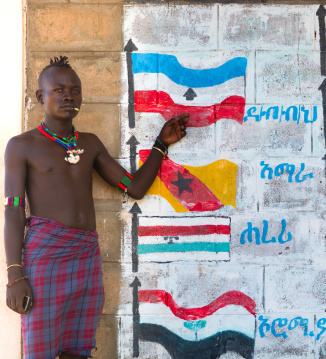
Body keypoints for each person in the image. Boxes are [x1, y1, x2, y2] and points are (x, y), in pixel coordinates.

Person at [3, 56, 189, 359]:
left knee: (78, 349)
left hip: (85, 255)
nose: (68, 96)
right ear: (40, 96)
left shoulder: (90, 143)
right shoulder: (22, 145)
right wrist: (15, 275)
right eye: (59, 90)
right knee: (41, 349)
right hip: (45, 256)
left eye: (75, 90)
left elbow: (135, 187)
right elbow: (12, 209)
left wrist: (161, 144)